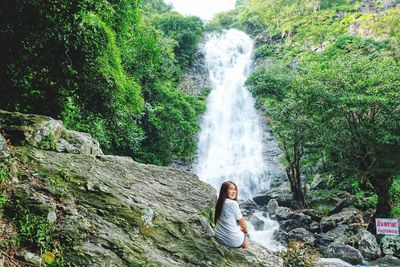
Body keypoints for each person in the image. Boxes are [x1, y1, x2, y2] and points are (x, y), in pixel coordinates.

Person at [214, 181, 249, 249]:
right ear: (225, 191)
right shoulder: (233, 203)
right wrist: (246, 231)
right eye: (231, 189)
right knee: (245, 238)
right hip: (232, 241)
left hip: (219, 237)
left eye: (235, 189)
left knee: (239, 230)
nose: (234, 191)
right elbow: (242, 223)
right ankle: (246, 254)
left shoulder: (219, 203)